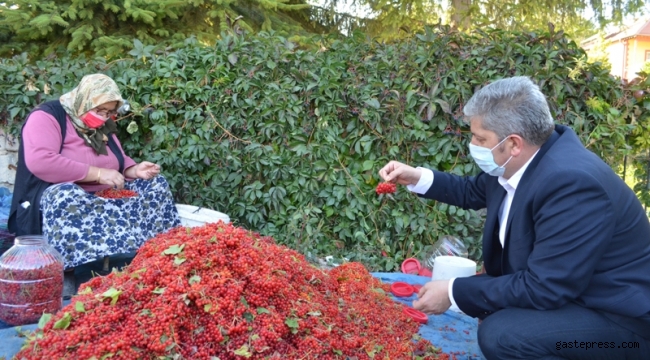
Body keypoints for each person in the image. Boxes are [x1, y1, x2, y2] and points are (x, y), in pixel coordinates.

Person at [379, 76, 650, 359]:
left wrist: (453, 291)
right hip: (574, 297)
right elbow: (471, 191)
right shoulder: (522, 162)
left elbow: (545, 287)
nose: (473, 144)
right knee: (500, 319)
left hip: (622, 328)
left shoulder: (572, 184)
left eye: (480, 139)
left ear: (514, 144)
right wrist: (416, 176)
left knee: (503, 335)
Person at [8, 74, 181, 298]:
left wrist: (134, 170)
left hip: (101, 195)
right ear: (84, 100)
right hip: (61, 196)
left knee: (154, 184)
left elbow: (116, 160)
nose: (104, 117)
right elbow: (41, 161)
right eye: (100, 110)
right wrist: (96, 174)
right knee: (65, 195)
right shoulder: (47, 117)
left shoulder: (100, 124)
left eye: (109, 112)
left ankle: (156, 256)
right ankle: (66, 271)